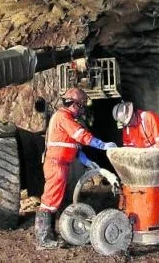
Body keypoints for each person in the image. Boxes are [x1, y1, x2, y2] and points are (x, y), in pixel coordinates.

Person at [36, 87, 116, 250]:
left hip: (60, 164)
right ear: (76, 105)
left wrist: (86, 161)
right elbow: (82, 136)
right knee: (50, 201)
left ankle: (49, 235)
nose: (82, 111)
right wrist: (103, 145)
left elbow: (74, 146)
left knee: (54, 202)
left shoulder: (64, 118)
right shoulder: (63, 117)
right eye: (81, 106)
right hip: (56, 164)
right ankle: (43, 239)